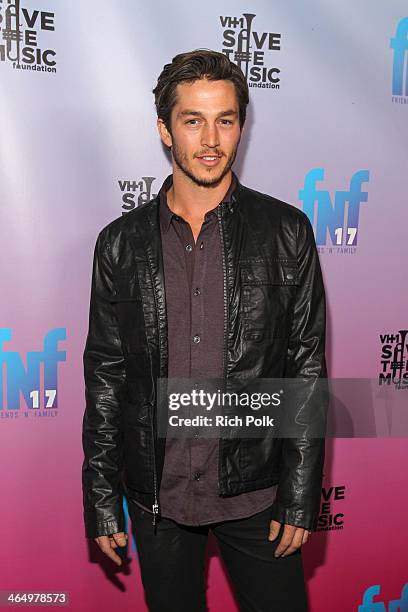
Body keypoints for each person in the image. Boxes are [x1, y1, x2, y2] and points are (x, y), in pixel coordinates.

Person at [82, 49, 328, 612]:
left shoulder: (287, 232)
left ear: (242, 124)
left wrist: (298, 495)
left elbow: (306, 373)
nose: (211, 139)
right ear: (165, 130)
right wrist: (100, 496)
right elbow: (106, 378)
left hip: (258, 497)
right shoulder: (119, 244)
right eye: (193, 120)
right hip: (157, 502)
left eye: (226, 119)